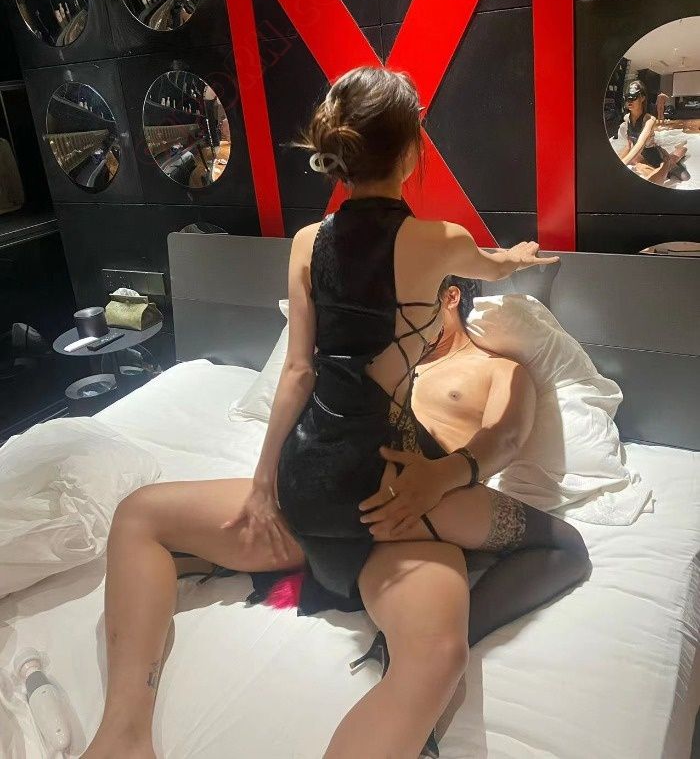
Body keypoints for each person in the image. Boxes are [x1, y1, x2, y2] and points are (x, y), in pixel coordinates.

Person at [82, 67, 590, 759]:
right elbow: (494, 270)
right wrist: (517, 259)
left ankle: (121, 734)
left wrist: (263, 484)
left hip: (306, 490)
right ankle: (410, 643)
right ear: (412, 151)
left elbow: (297, 372)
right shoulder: (442, 242)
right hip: (389, 499)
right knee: (468, 631)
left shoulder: (306, 242)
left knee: (139, 515)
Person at [618, 80, 690, 184]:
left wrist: (623, 163)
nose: (629, 101)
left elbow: (641, 143)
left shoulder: (649, 120)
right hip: (640, 156)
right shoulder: (626, 118)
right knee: (642, 169)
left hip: (655, 156)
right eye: (627, 97)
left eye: (633, 97)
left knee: (684, 176)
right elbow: (629, 145)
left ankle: (679, 149)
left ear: (642, 98)